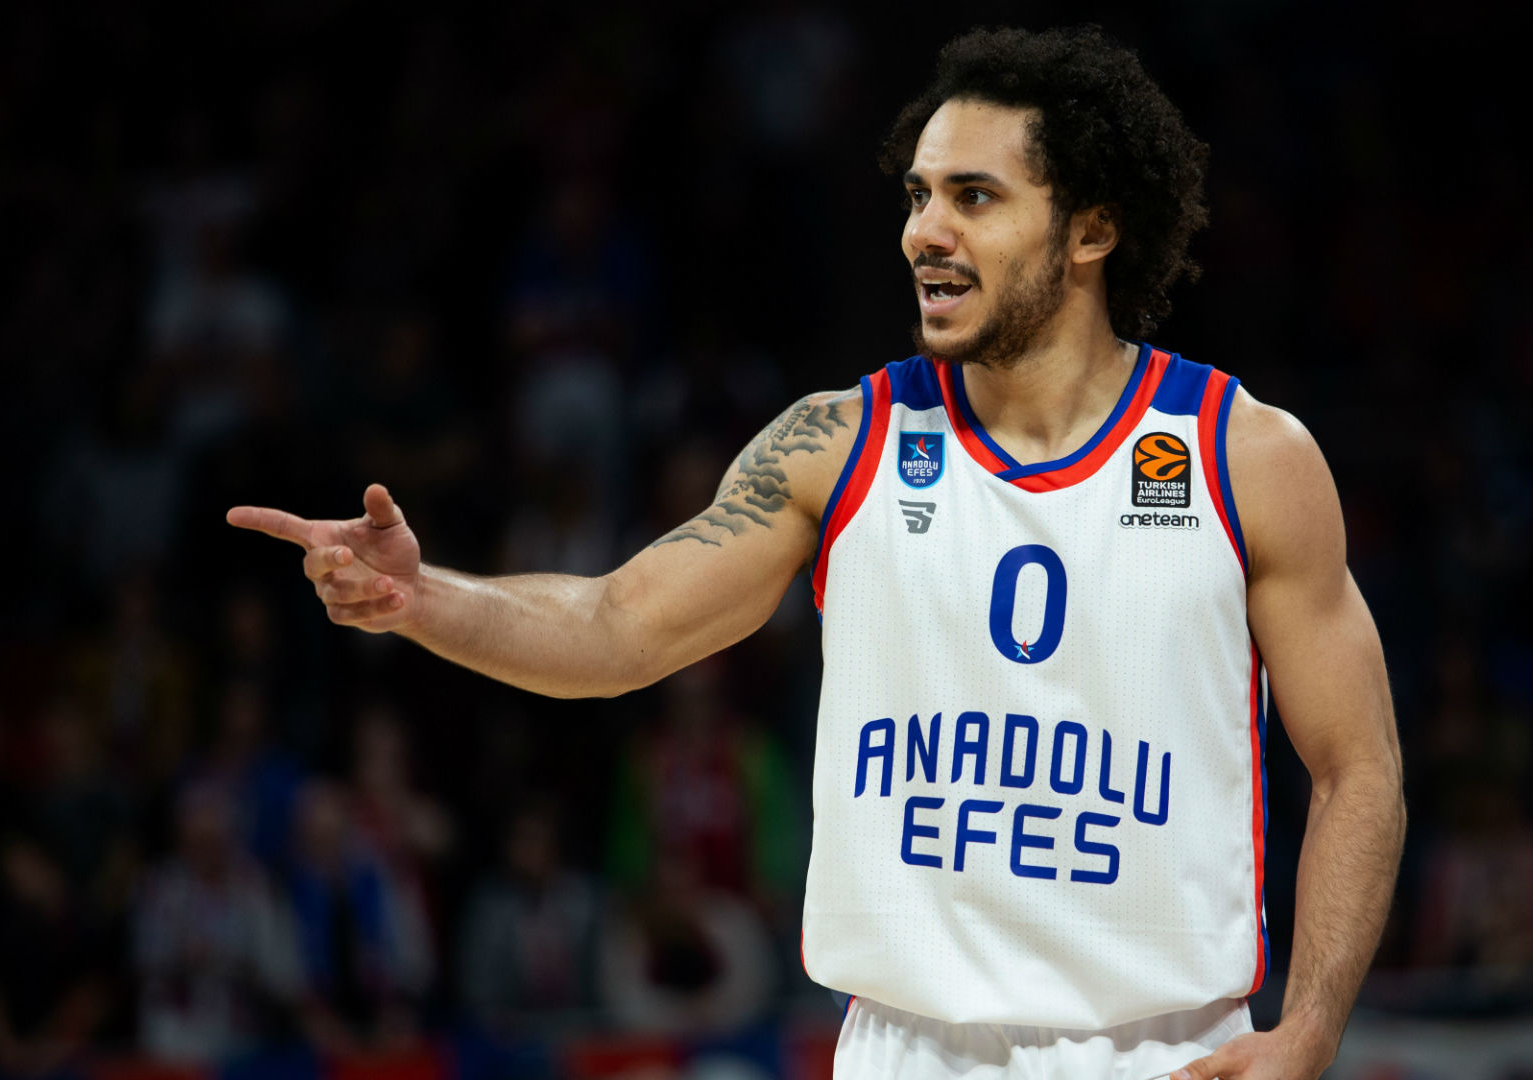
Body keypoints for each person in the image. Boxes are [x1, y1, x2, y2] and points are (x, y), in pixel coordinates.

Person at [229, 26, 1405, 1080]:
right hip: (905, 1051)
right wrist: (419, 597)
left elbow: (1359, 767)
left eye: (975, 197)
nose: (926, 232)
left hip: (1167, 1056)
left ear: (1091, 228)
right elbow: (616, 628)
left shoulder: (1243, 458)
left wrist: (1308, 1031)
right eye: (919, 195)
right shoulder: (839, 444)